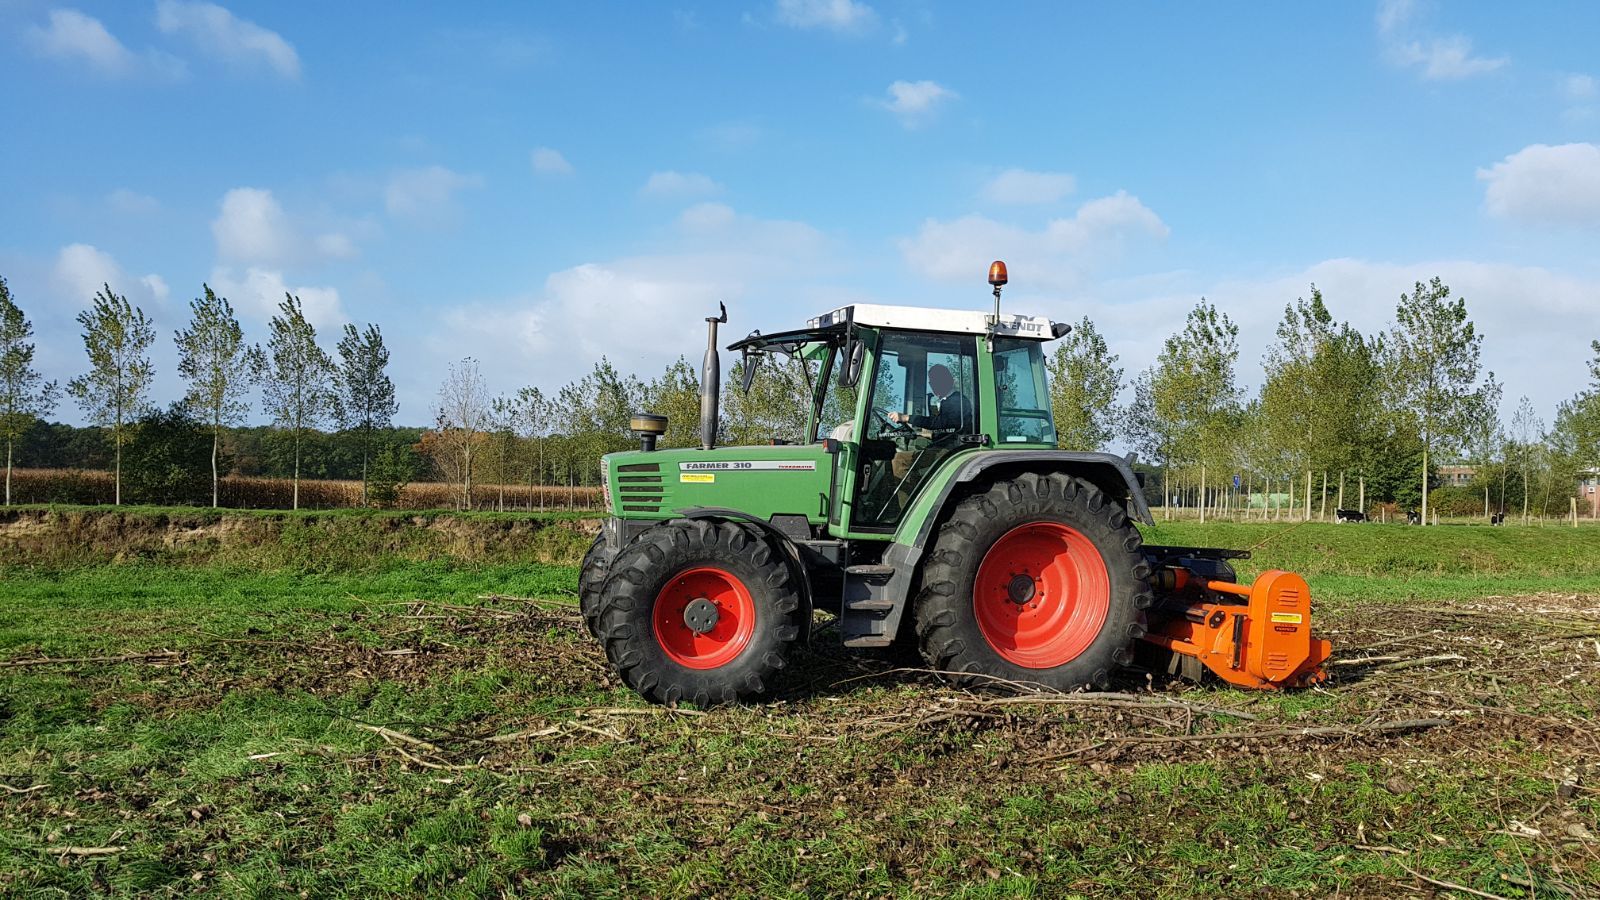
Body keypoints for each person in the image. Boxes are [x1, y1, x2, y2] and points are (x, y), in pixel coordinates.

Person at [888, 364, 972, 434]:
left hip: (956, 445)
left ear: (947, 380)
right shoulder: (947, 400)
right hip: (950, 443)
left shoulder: (957, 401)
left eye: (935, 380)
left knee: (900, 454)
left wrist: (905, 417)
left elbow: (939, 424)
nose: (932, 385)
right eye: (931, 382)